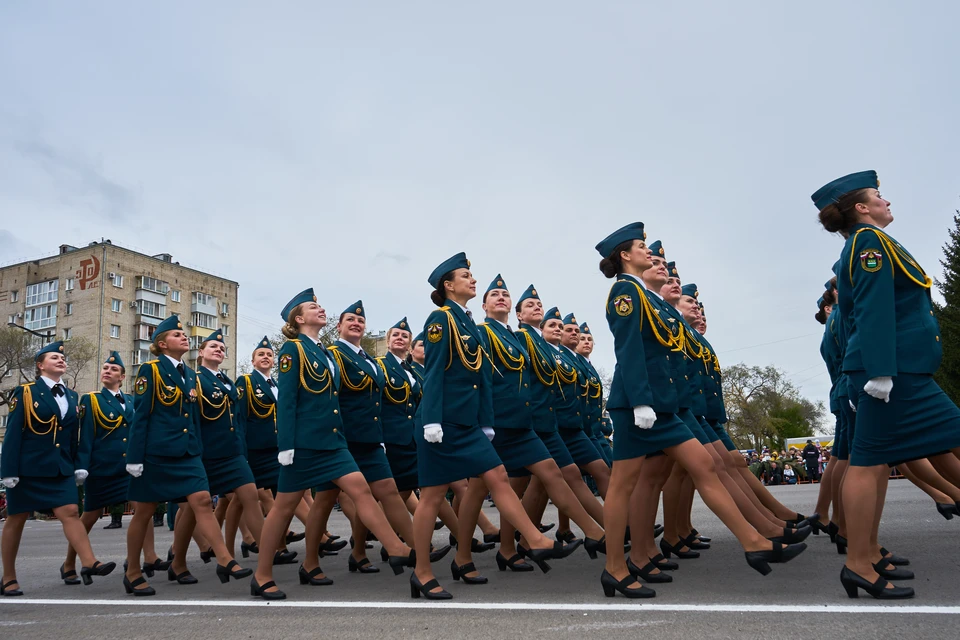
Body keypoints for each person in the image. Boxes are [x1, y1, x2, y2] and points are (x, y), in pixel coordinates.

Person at [595, 222, 806, 599]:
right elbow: (628, 349)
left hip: (663, 405)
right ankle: (614, 567)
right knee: (623, 485)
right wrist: (641, 400)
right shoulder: (623, 292)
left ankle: (753, 540)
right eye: (642, 247)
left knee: (705, 465)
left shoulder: (645, 295)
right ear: (625, 255)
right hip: (637, 407)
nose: (649, 253)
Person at [814, 169, 960, 598]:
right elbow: (875, 306)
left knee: (872, 461)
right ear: (861, 207)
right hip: (891, 373)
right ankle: (859, 561)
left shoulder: (873, 241)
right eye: (879, 196)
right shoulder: (868, 241)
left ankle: (863, 557)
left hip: (899, 370)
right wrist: (879, 371)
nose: (887, 201)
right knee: (869, 462)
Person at [411, 254, 579, 600]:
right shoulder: (440, 319)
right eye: (466, 276)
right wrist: (430, 421)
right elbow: (435, 372)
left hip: (469, 424)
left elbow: (482, 378)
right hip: (441, 423)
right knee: (431, 497)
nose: (473, 280)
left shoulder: (469, 322)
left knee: (498, 476)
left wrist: (486, 423)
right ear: (448, 285)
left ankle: (534, 540)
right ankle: (422, 573)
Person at [250, 289, 412, 600]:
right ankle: (262, 575)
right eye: (314, 307)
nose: (321, 309)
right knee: (283, 509)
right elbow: (287, 402)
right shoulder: (292, 351)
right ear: (299, 319)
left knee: (361, 489)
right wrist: (285, 446)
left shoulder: (323, 352)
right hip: (304, 445)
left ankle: (397, 549)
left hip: (333, 441)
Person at [450, 275, 604, 582]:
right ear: (484, 305)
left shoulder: (518, 338)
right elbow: (475, 377)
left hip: (522, 423)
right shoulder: (481, 333)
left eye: (505, 294)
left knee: (553, 472)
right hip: (495, 425)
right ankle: (463, 556)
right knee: (478, 490)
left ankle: (595, 533)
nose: (501, 298)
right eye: (494, 295)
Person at [123, 315, 251, 596]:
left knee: (203, 501)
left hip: (188, 452)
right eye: (176, 335)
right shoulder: (150, 371)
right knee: (144, 512)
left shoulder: (190, 375)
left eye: (184, 336)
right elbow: (140, 416)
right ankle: (133, 571)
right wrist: (134, 458)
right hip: (155, 454)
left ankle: (224, 559)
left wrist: (198, 449)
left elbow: (193, 417)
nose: (184, 338)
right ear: (161, 343)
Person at [1, 341, 116, 596]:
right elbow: (12, 434)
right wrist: (8, 471)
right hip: (28, 469)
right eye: (54, 357)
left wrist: (77, 466)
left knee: (71, 512)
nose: (61, 361)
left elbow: (72, 435)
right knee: (16, 519)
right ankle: (8, 576)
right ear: (40, 365)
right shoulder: (26, 392)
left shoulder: (72, 395)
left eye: (62, 358)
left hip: (61, 467)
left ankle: (88, 562)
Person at [64, 352, 166, 584]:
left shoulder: (131, 400)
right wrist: (81, 466)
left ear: (122, 376)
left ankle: (149, 557)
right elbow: (86, 435)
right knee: (89, 516)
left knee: (144, 508)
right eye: (104, 369)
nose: (107, 372)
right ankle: (70, 562)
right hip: (102, 468)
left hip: (127, 468)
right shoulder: (91, 400)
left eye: (112, 370)